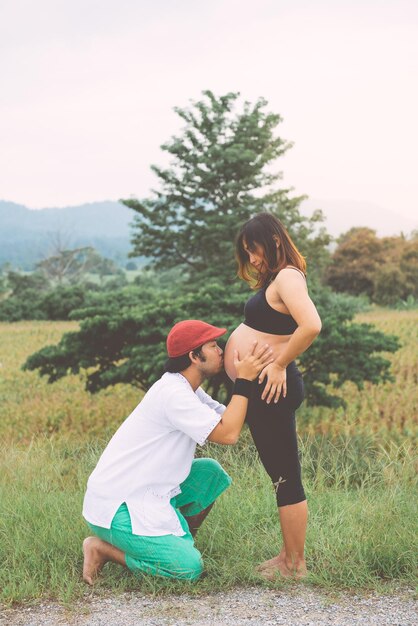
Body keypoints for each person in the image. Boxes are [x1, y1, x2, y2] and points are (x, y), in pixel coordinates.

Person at [82, 319, 273, 584]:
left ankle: (174, 545)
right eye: (213, 345)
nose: (221, 350)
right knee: (188, 569)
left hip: (145, 488)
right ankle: (101, 549)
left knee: (210, 473)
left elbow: (232, 420)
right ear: (194, 356)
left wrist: (271, 370)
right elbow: (228, 435)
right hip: (117, 506)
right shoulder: (174, 395)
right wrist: (244, 380)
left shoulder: (189, 388)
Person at [223, 212, 322, 580]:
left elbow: (311, 324)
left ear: (275, 241)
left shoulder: (288, 277)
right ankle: (287, 555)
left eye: (254, 249)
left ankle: (295, 565)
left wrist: (279, 364)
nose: (251, 259)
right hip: (264, 388)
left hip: (272, 388)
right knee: (279, 474)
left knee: (286, 477)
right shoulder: (277, 279)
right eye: (247, 252)